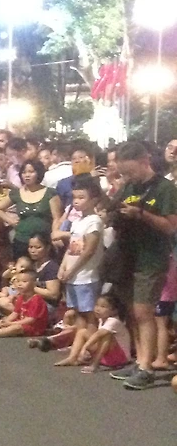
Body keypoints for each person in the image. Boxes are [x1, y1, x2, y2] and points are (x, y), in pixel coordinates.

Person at [108, 140, 177, 389]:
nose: (128, 177)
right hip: (128, 256)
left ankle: (147, 367)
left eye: (130, 171)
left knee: (144, 312)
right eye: (123, 173)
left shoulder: (165, 188)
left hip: (152, 258)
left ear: (144, 161)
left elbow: (171, 227)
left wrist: (141, 214)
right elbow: (112, 209)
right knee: (132, 311)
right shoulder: (129, 186)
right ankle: (139, 361)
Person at [0, 160, 62, 260]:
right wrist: (10, 220)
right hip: (21, 241)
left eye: (31, 172)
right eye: (24, 172)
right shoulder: (16, 193)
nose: (27, 175)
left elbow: (57, 218)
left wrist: (55, 234)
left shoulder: (50, 193)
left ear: (39, 173)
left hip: (44, 242)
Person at [55, 293, 130, 372]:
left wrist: (85, 347)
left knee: (107, 336)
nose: (98, 309)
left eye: (103, 307)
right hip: (107, 356)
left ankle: (95, 365)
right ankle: (72, 358)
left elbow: (98, 335)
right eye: (97, 305)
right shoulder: (101, 320)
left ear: (114, 311)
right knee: (82, 332)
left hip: (120, 358)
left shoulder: (114, 321)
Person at [0, 269, 48, 339]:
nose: (20, 284)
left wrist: (11, 323)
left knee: (16, 328)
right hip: (20, 321)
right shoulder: (21, 297)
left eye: (24, 282)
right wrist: (6, 321)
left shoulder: (36, 300)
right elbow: (15, 313)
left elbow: (30, 320)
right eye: (18, 281)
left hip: (34, 328)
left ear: (34, 283)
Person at [26, 233, 62, 307]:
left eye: (38, 247)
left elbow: (53, 294)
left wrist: (30, 287)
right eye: (30, 247)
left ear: (48, 248)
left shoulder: (51, 267)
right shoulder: (32, 265)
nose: (33, 251)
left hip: (46, 305)